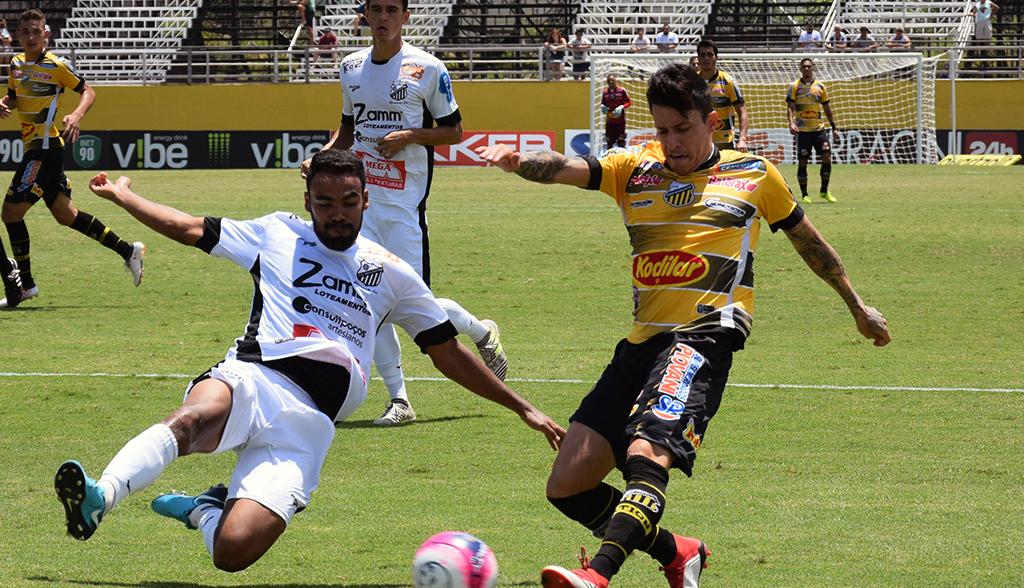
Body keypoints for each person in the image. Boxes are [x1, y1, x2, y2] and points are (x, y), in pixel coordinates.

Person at [475, 63, 890, 588]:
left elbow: (809, 243)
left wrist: (856, 306)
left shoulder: (756, 174)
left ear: (711, 121)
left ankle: (598, 576)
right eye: (662, 130)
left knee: (647, 451)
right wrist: (517, 162)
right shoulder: (635, 169)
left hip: (706, 334)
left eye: (682, 129)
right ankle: (680, 552)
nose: (671, 142)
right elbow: (563, 167)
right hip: (640, 343)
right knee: (568, 485)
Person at [54, 149, 566, 573]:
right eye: (325, 203)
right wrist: (124, 196)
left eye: (348, 201)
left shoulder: (393, 273)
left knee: (232, 553)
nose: (337, 213)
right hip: (253, 375)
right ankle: (103, 495)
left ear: (366, 199)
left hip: (311, 423)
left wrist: (522, 407)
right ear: (308, 201)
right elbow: (191, 228)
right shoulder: (277, 233)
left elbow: (447, 351)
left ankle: (206, 510)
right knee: (193, 418)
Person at [300, 0, 508, 426]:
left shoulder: (428, 68)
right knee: (366, 301)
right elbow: (348, 128)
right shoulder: (351, 67)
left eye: (391, 10)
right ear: (366, 16)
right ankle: (400, 400)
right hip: (362, 206)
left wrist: (411, 135)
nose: (382, 18)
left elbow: (454, 131)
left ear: (405, 17)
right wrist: (321, 158)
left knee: (415, 305)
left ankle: (480, 330)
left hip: (405, 206)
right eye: (375, 9)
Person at [0, 9, 144, 309]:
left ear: (45, 35)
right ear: (18, 35)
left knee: (11, 213)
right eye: (25, 31)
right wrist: (3, 104)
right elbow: (13, 97)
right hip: (33, 147)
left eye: (35, 31)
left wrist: (77, 114)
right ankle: (128, 251)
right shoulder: (15, 65)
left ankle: (24, 283)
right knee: (68, 216)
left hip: (47, 148)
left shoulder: (56, 66)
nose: (30, 37)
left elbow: (88, 91)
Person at [787, 58, 840, 203]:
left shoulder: (820, 87)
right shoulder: (794, 86)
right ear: (800, 68)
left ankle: (824, 191)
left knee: (826, 157)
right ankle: (805, 195)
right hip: (803, 131)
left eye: (808, 66)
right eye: (804, 67)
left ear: (813, 68)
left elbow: (827, 108)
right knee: (803, 161)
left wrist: (834, 127)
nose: (806, 69)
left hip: (819, 130)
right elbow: (790, 107)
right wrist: (791, 123)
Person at [695, 39, 749, 152]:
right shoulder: (692, 81)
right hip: (699, 141)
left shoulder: (728, 81)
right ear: (698, 58)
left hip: (724, 142)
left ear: (716, 57)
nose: (706, 58)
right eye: (702, 55)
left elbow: (742, 112)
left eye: (710, 54)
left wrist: (742, 139)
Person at [600, 75, 632, 151]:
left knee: (621, 142)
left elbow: (629, 102)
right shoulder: (605, 93)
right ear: (607, 82)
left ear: (616, 81)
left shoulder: (621, 91)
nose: (611, 82)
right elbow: (603, 104)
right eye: (609, 81)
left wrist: (622, 107)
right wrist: (603, 107)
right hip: (609, 122)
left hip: (620, 122)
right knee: (609, 143)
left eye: (613, 80)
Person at [970, 0, 999, 68]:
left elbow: (997, 7)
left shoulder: (988, 2)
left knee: (988, 36)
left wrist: (991, 15)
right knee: (978, 37)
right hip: (979, 21)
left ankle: (987, 51)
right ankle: (978, 52)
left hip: (986, 20)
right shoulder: (977, 4)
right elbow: (974, 12)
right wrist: (970, 14)